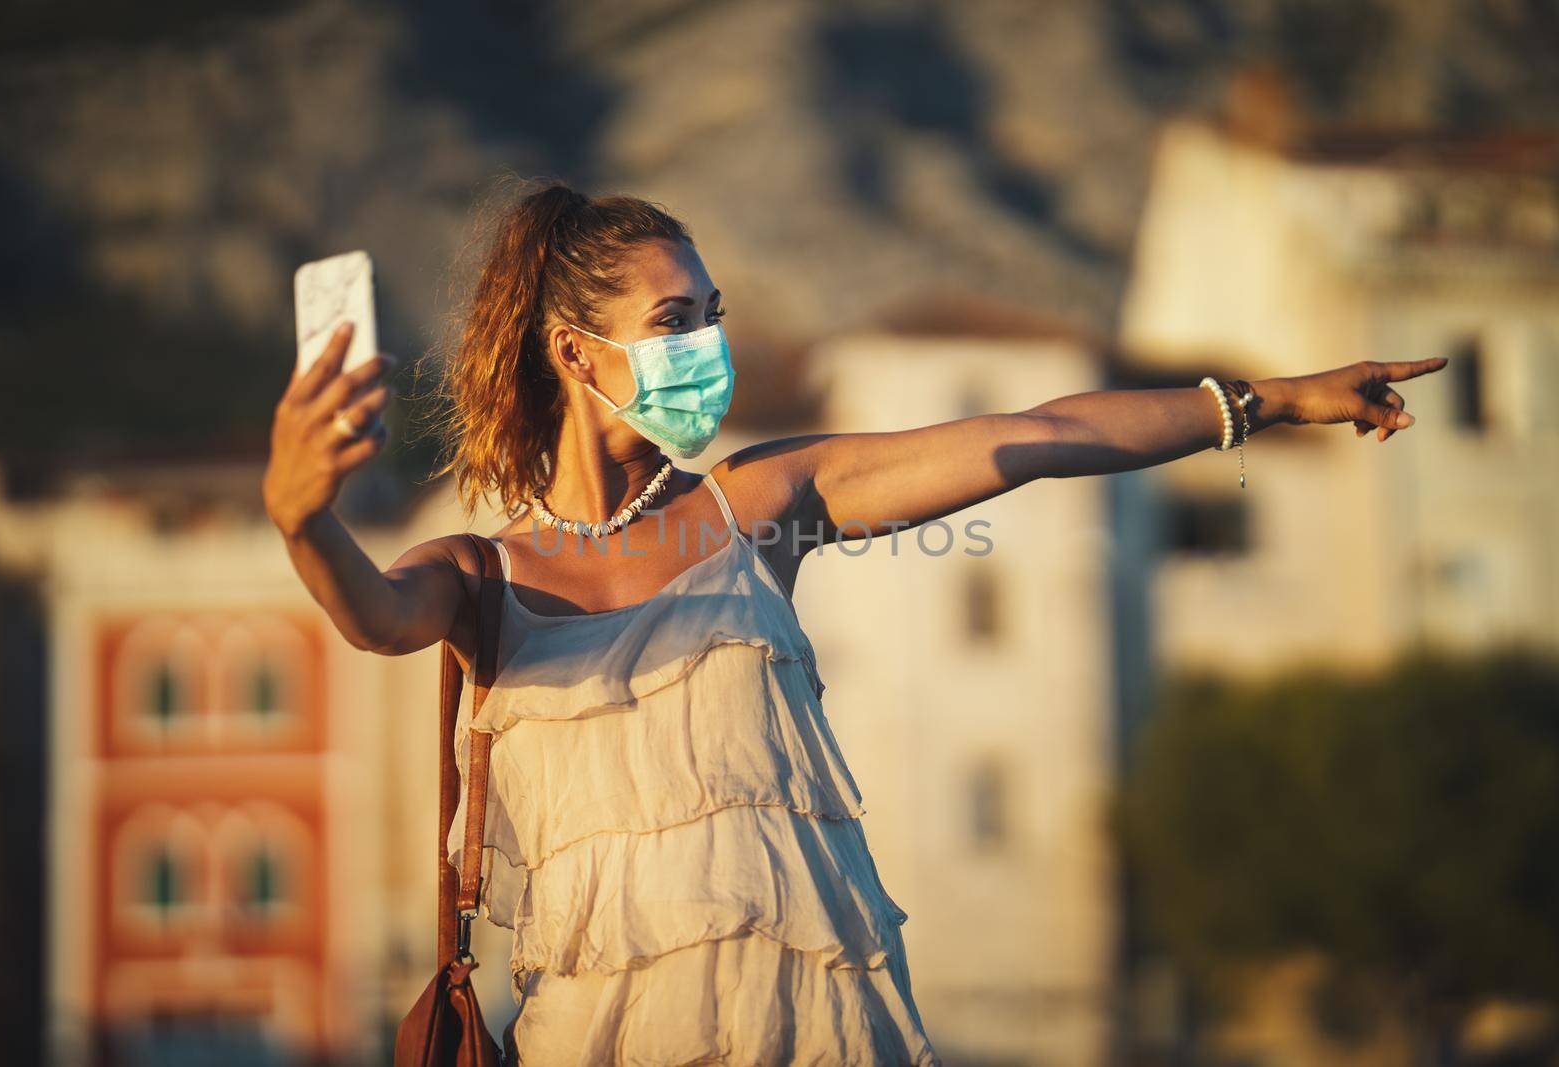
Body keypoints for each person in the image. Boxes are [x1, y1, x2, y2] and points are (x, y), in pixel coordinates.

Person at [262, 179, 1447, 1065]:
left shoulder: (761, 506)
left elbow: (1024, 437)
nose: (709, 349)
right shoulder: (483, 569)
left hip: (815, 1023)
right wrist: (301, 515)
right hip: (602, 1033)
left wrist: (1271, 400)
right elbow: (371, 617)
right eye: (677, 319)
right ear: (576, 350)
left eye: (714, 315)